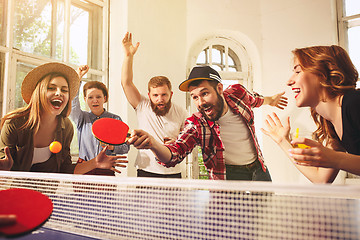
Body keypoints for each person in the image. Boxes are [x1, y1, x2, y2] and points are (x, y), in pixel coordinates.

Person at [128, 65, 288, 180]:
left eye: (205, 93)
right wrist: (154, 144)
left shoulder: (238, 94)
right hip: (227, 176)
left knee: (264, 220)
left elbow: (256, 99)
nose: (200, 102)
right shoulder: (197, 124)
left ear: (219, 88)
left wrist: (271, 100)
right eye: (195, 97)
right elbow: (175, 154)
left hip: (258, 169)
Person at [0, 62, 127, 174]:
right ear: (39, 92)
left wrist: (95, 162)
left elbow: (65, 169)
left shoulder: (66, 127)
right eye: (51, 88)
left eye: (64, 90)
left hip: (50, 194)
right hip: (15, 192)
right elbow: (4, 164)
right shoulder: (14, 123)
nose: (59, 93)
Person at [261, 45, 360, 183]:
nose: (289, 81)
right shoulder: (331, 124)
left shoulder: (354, 102)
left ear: (322, 74)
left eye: (298, 71)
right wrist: (283, 141)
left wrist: (334, 158)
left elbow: (334, 160)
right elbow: (320, 179)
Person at [121, 32, 188, 178]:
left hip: (174, 171)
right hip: (147, 171)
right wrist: (128, 56)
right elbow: (126, 83)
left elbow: (187, 141)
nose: (160, 99)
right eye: (155, 95)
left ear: (171, 94)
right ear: (149, 95)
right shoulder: (142, 105)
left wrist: (176, 143)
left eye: (164, 95)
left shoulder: (182, 112)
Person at [70, 65, 130, 175]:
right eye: (90, 97)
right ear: (85, 99)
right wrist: (78, 78)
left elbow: (125, 147)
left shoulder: (115, 119)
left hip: (106, 169)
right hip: (84, 168)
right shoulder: (81, 118)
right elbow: (73, 104)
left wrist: (112, 147)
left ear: (105, 98)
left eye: (98, 97)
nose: (95, 101)